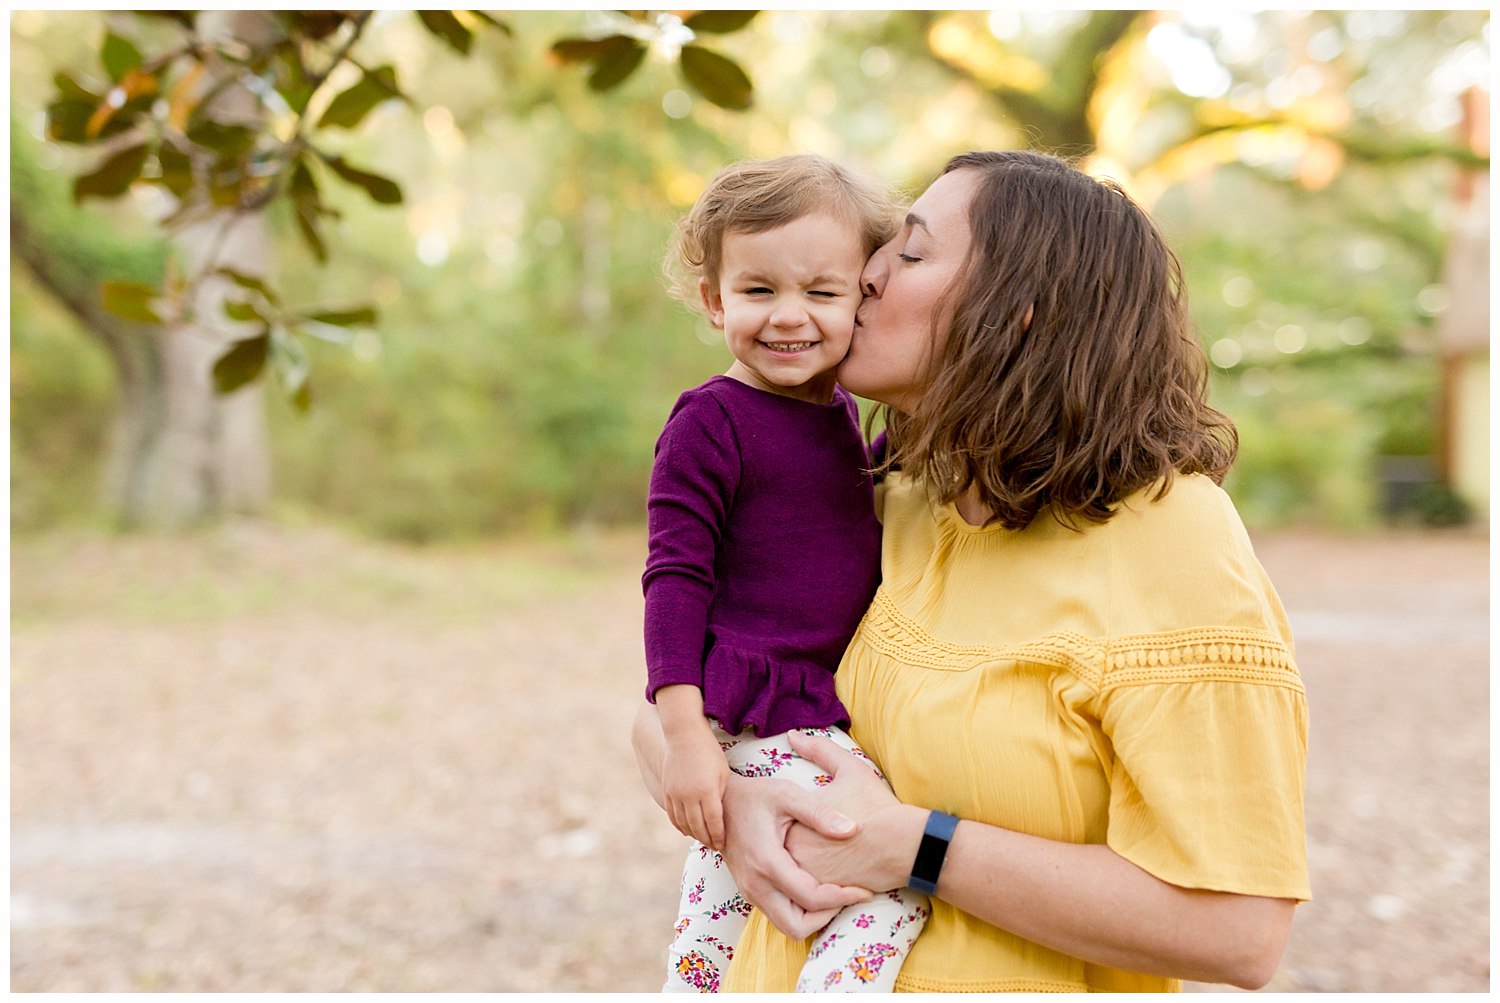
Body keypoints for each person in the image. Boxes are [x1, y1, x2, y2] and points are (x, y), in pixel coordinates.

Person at [634, 150, 1310, 993]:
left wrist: (912, 844)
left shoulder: (1174, 539)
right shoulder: (906, 488)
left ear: (1015, 312)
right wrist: (735, 808)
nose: (867, 275)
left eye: (909, 253)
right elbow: (670, 706)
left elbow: (1238, 931)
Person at [643, 154, 932, 993]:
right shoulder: (711, 420)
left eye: (822, 292)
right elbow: (675, 577)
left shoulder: (842, 413)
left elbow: (840, 504)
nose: (789, 318)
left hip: (808, 706)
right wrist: (686, 738)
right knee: (890, 887)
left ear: (862, 299)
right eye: (758, 290)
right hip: (758, 713)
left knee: (720, 927)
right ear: (713, 299)